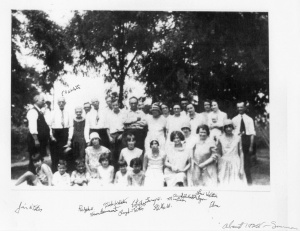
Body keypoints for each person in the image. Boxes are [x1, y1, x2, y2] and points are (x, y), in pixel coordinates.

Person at [232, 101, 256, 185]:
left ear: (245, 108)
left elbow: (252, 134)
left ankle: (249, 182)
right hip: (237, 141)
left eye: (241, 107)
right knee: (237, 161)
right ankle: (238, 181)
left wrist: (251, 147)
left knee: (246, 162)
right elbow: (232, 133)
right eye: (238, 107)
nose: (239, 109)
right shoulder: (234, 119)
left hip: (246, 141)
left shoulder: (249, 119)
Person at [217, 120, 247, 187]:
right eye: (226, 127)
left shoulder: (238, 138)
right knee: (224, 184)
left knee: (237, 183)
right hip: (224, 163)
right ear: (224, 128)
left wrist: (241, 168)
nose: (228, 129)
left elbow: (241, 153)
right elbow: (218, 153)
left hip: (236, 162)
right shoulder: (220, 138)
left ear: (233, 127)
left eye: (230, 126)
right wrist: (219, 166)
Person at [26, 94, 50, 174]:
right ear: (36, 101)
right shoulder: (33, 111)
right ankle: (31, 180)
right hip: (35, 141)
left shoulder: (40, 112)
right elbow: (32, 127)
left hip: (40, 141)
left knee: (39, 160)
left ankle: (39, 178)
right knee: (34, 160)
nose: (44, 102)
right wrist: (36, 140)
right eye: (42, 100)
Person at [49, 97, 72, 172]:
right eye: (60, 102)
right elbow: (49, 125)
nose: (61, 103)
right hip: (55, 135)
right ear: (58, 104)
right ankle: (55, 173)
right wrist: (51, 136)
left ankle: (65, 173)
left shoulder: (68, 113)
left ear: (65, 103)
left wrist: (69, 139)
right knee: (55, 157)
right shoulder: (53, 113)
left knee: (65, 155)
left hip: (65, 134)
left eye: (63, 102)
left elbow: (71, 127)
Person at [107, 99, 126, 167]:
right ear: (111, 106)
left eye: (116, 105)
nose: (115, 106)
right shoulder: (109, 114)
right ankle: (114, 169)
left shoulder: (123, 113)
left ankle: (122, 168)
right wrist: (109, 137)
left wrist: (122, 135)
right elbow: (107, 127)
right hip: (112, 135)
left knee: (121, 152)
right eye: (113, 105)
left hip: (121, 134)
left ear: (119, 105)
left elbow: (126, 125)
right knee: (113, 154)